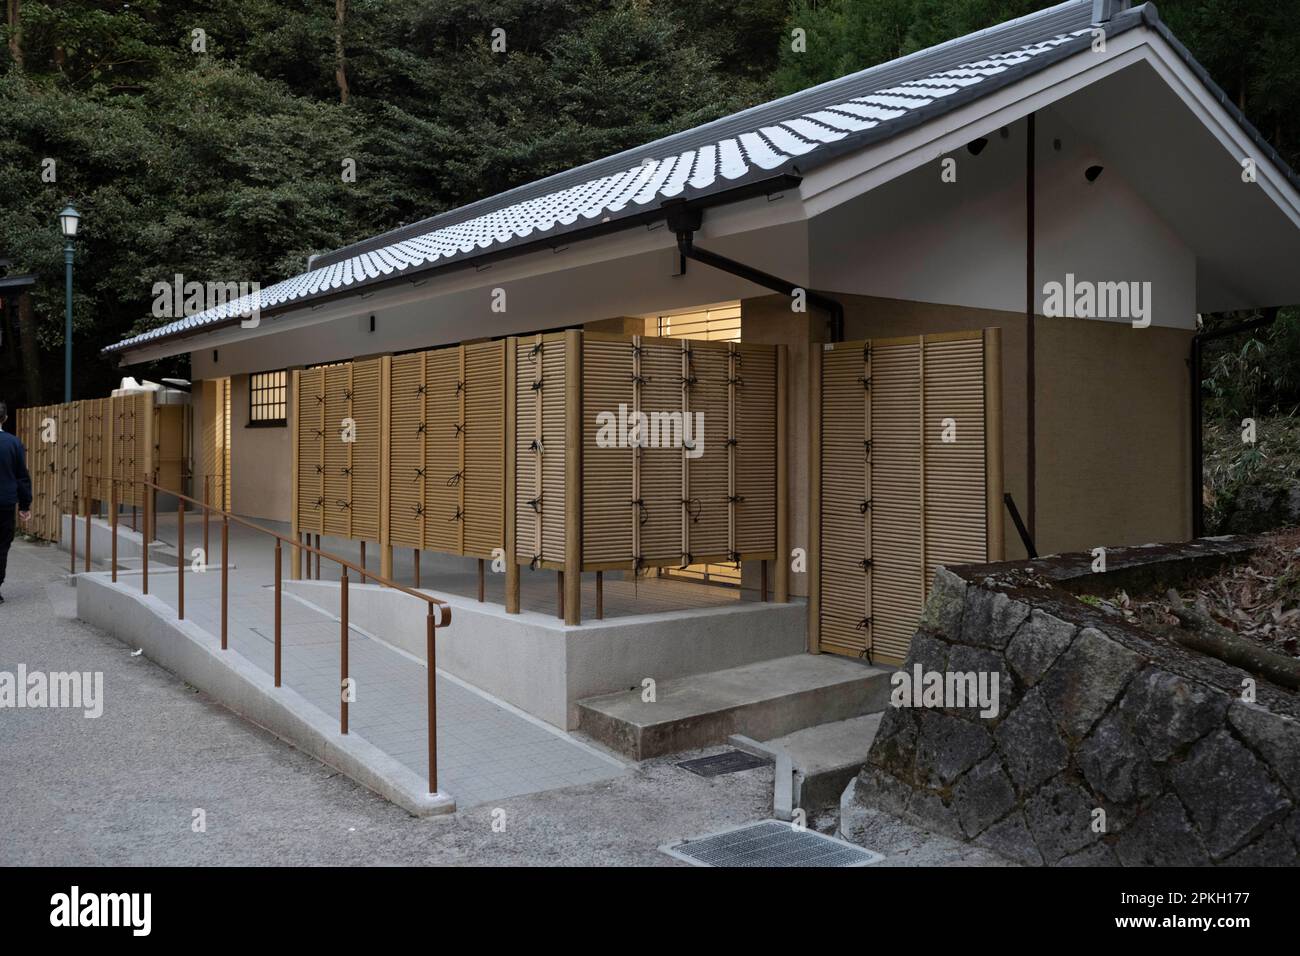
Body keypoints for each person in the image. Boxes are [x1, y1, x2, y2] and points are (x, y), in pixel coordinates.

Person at [0, 401, 33, 604]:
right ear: (5, 418)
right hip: (5, 502)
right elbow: (21, 476)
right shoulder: (13, 443)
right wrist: (25, 505)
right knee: (2, 545)